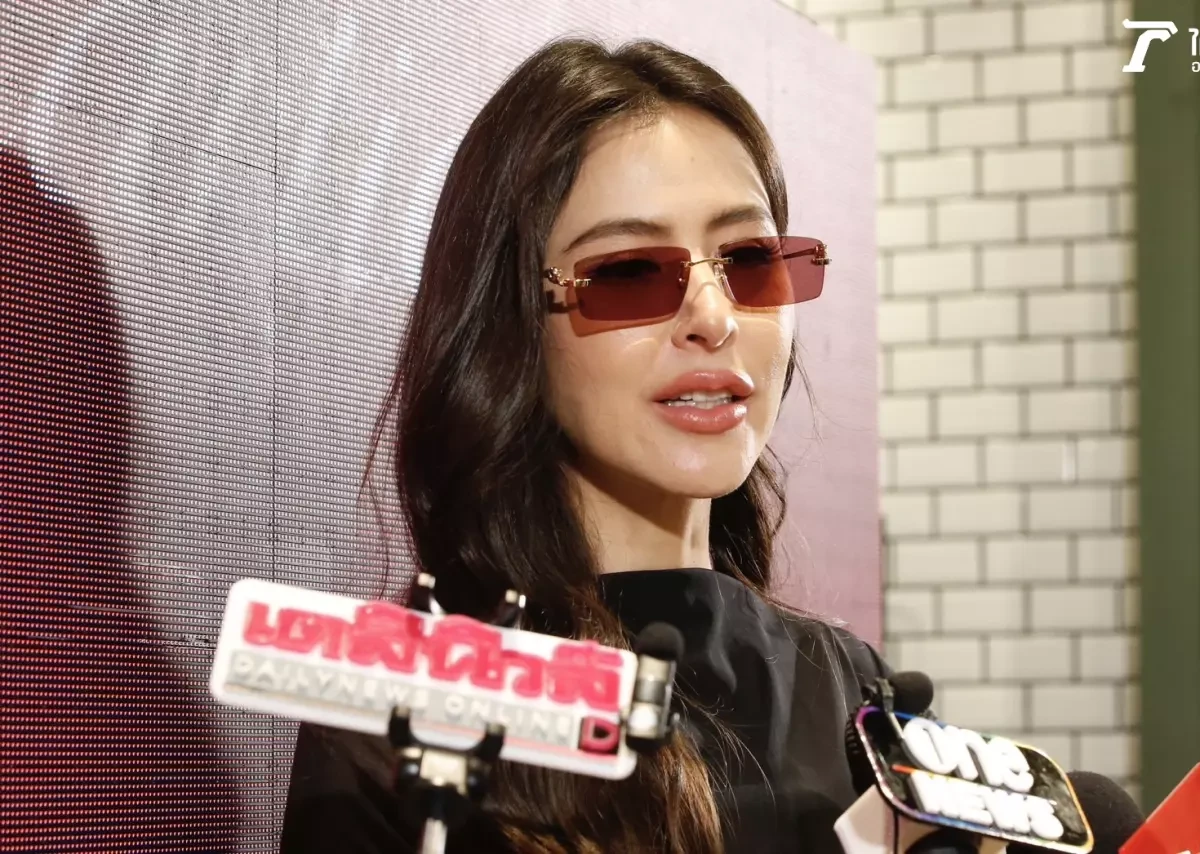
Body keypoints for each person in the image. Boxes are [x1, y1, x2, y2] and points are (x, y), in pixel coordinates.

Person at [279, 36, 892, 854]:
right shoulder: (406, 701)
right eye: (631, 272)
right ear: (511, 327)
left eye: (748, 260)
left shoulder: (854, 697)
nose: (714, 318)